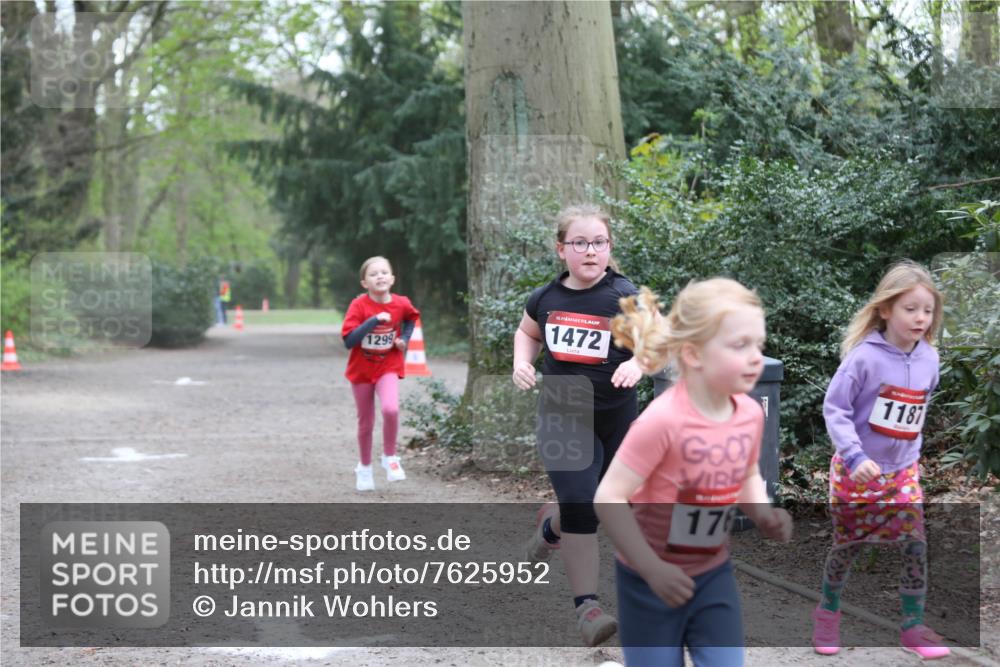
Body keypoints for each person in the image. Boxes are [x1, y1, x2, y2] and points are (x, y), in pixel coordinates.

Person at [594, 279, 793, 667]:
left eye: (759, 345)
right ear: (693, 353)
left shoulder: (750, 414)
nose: (756, 357)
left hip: (712, 574)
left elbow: (747, 474)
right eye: (740, 345)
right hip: (647, 581)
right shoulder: (662, 421)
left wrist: (763, 513)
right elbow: (609, 497)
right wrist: (652, 569)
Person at [512, 203, 644, 646]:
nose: (591, 251)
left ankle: (550, 528)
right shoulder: (545, 299)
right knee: (582, 504)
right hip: (563, 413)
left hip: (617, 417)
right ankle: (588, 610)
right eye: (580, 243)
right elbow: (527, 333)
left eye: (599, 243)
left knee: (606, 505)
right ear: (561, 249)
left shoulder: (626, 296)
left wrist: (639, 364)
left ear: (609, 247)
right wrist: (520, 364)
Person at [811, 260, 949, 659]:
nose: (920, 318)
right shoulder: (863, 358)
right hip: (858, 472)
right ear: (886, 309)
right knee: (847, 546)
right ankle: (828, 613)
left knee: (915, 545)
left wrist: (908, 451)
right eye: (910, 309)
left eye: (927, 310)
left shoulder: (929, 358)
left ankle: (912, 627)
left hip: (903, 472)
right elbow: (835, 409)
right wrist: (854, 455)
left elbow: (919, 408)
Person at [341, 256, 420, 491]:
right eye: (374, 274)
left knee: (391, 409)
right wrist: (373, 320)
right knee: (366, 422)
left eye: (384, 272)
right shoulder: (359, 306)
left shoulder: (401, 303)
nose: (380, 277)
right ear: (365, 283)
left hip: (388, 366)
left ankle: (390, 457)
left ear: (392, 279)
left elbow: (411, 318)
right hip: (362, 370)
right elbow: (349, 340)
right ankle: (364, 468)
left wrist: (404, 340)